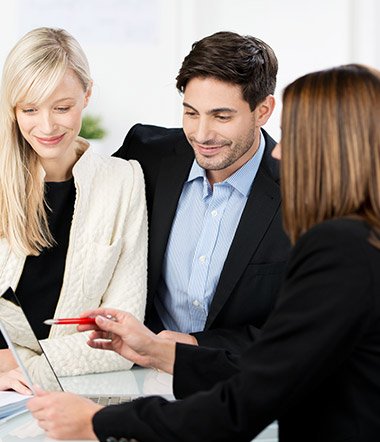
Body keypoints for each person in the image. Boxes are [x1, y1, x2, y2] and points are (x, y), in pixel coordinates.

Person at [28, 64, 380, 441]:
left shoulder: (341, 250)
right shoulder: (363, 241)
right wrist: (157, 351)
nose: (279, 155)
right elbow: (279, 367)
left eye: (293, 136)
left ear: (335, 149)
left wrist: (97, 422)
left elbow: (242, 404)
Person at [114, 31, 290, 352]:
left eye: (221, 116)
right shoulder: (146, 155)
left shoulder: (302, 191)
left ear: (263, 111)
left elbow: (299, 331)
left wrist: (196, 345)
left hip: (241, 384)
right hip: (137, 374)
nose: (201, 134)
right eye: (191, 113)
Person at [0, 27, 147, 393]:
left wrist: (26, 365)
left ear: (87, 94)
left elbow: (121, 339)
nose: (46, 126)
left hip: (67, 392)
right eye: (30, 110)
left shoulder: (124, 182)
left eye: (62, 108)